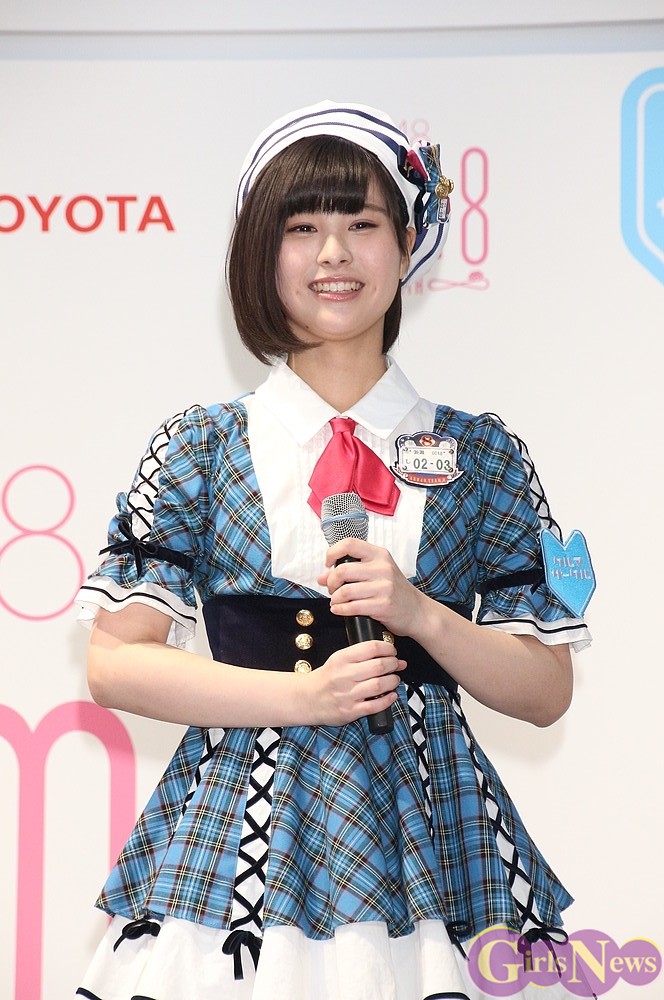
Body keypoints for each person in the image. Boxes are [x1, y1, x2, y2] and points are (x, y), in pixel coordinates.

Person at [75, 101, 592, 1000]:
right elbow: (115, 663)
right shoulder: (201, 445)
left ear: (407, 244)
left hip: (432, 838)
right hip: (241, 830)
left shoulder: (483, 454)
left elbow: (546, 691)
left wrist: (422, 615)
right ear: (261, 255)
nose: (333, 254)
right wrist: (303, 698)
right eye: (302, 227)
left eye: (362, 224)